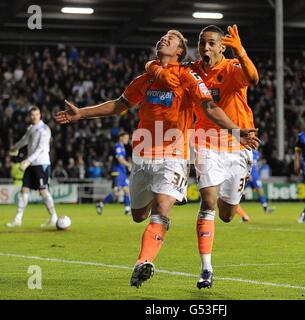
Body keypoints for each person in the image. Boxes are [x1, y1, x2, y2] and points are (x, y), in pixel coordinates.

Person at [55, 29, 259, 288]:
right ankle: (160, 218)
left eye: (170, 40)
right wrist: (81, 114)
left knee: (164, 207)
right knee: (139, 215)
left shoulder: (188, 77)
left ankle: (144, 262)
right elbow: (120, 105)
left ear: (179, 52)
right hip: (143, 153)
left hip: (174, 154)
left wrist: (235, 130)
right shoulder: (145, 79)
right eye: (162, 38)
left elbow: (209, 105)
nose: (163, 40)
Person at [146, 24, 260, 289]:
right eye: (202, 43)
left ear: (222, 46)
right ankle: (206, 268)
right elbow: (161, 65)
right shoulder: (192, 70)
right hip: (206, 142)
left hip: (239, 144)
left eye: (211, 43)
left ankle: (217, 202)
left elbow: (253, 79)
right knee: (208, 200)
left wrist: (241, 51)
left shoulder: (232, 68)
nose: (205, 48)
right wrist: (153, 65)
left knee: (227, 214)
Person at [6, 106, 59, 228]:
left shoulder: (44, 129)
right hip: (30, 164)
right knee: (24, 189)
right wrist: (15, 147)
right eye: (32, 115)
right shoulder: (31, 128)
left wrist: (27, 161)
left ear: (40, 115)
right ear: (29, 116)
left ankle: (53, 217)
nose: (34, 117)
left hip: (41, 164)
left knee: (43, 191)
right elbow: (25, 140)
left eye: (36, 114)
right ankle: (18, 219)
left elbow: (41, 149)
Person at [96, 132, 132, 215]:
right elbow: (119, 159)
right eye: (126, 138)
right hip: (117, 172)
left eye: (127, 138)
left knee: (127, 190)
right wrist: (128, 164)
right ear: (121, 138)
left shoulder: (122, 147)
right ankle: (100, 204)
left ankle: (127, 209)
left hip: (122, 172)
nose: (127, 140)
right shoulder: (118, 146)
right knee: (116, 192)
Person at [237, 150, 275, 222]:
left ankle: (265, 207)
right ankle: (240, 212)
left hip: (255, 176)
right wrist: (247, 173)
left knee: (260, 189)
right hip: (246, 175)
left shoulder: (257, 153)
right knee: (238, 194)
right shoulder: (245, 151)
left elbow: (256, 164)